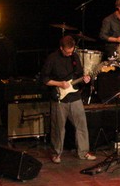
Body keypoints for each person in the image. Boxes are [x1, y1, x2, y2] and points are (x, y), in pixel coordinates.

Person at [40, 35, 96, 163]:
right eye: (67, 52)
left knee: (81, 125)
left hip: (74, 96)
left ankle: (83, 152)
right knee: (59, 128)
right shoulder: (52, 58)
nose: (70, 54)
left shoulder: (75, 57)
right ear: (61, 48)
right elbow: (44, 79)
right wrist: (59, 84)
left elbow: (79, 75)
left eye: (72, 51)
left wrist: (85, 79)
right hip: (59, 98)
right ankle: (56, 154)